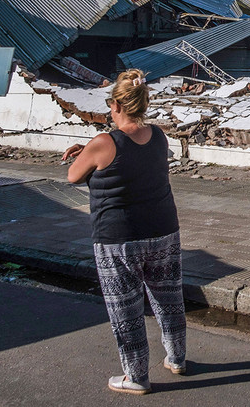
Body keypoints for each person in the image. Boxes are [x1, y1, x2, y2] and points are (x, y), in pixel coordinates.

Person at [62, 69, 186, 395]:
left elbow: (74, 176)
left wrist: (86, 151)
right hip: (164, 230)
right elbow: (133, 159)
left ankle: (136, 377)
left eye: (110, 104)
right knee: (168, 298)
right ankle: (176, 358)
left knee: (126, 310)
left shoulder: (104, 142)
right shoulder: (158, 135)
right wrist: (91, 150)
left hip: (119, 238)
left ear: (116, 105)